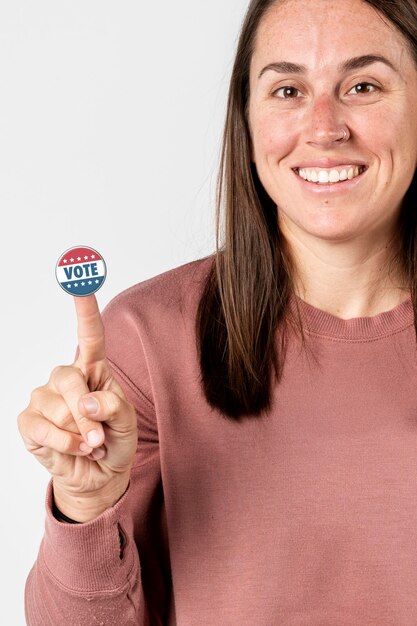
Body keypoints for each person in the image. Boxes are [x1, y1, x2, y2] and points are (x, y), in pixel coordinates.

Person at [18, 0, 417, 623]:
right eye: (287, 89)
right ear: (249, 122)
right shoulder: (148, 339)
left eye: (362, 86)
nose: (323, 126)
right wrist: (85, 503)